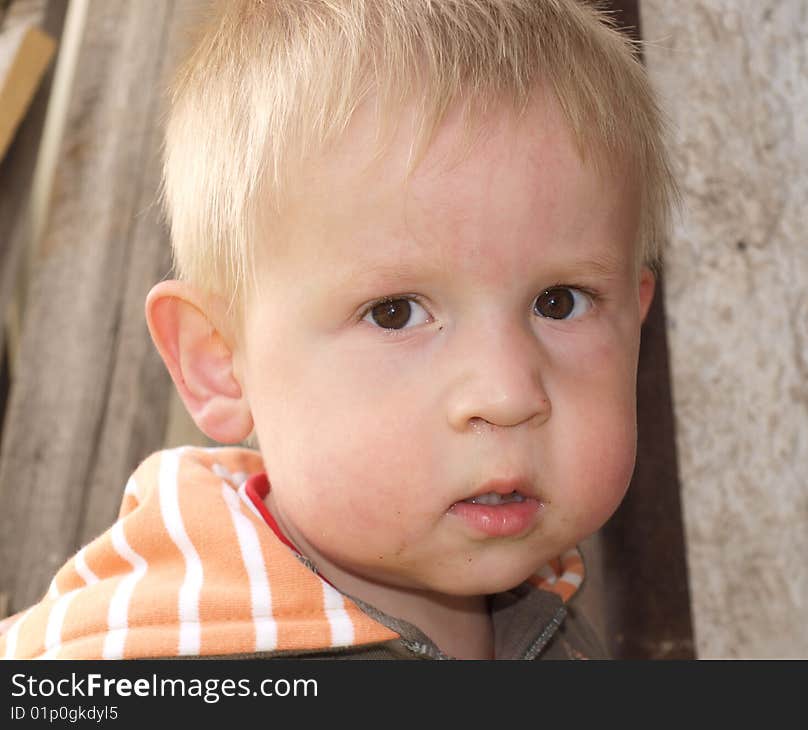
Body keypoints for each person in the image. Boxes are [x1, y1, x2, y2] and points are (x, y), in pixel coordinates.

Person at [1, 0, 675, 660]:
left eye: (559, 303)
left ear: (635, 320)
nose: (506, 393)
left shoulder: (547, 614)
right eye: (396, 312)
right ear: (219, 362)